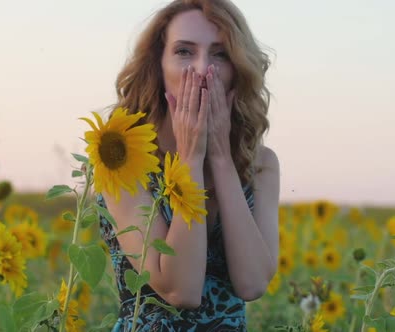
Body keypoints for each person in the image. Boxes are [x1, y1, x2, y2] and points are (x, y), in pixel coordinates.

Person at [96, 0, 280, 330]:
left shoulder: (261, 165)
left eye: (220, 54)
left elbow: (252, 284)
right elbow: (180, 289)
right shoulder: (122, 158)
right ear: (158, 64)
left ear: (237, 68)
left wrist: (222, 159)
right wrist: (190, 160)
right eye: (184, 51)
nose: (201, 68)